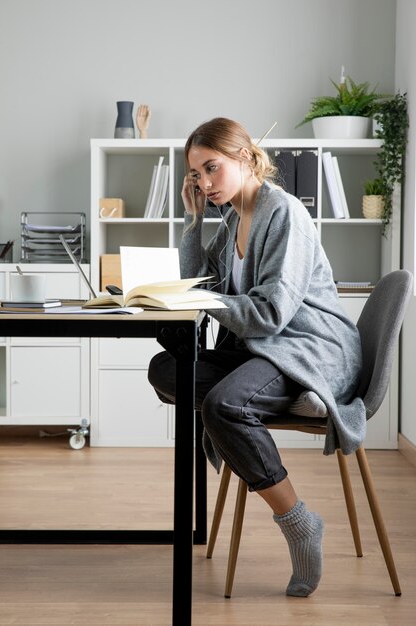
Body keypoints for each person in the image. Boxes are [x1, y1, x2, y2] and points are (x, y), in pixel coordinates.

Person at [148, 117, 366, 597]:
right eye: (195, 175)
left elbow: (269, 314)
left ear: (245, 157)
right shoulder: (230, 218)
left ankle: (299, 522)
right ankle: (272, 404)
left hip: (308, 346)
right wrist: (193, 220)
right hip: (261, 349)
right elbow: (200, 285)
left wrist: (200, 302)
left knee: (224, 404)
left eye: (212, 169)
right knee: (165, 369)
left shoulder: (283, 212)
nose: (204, 183)